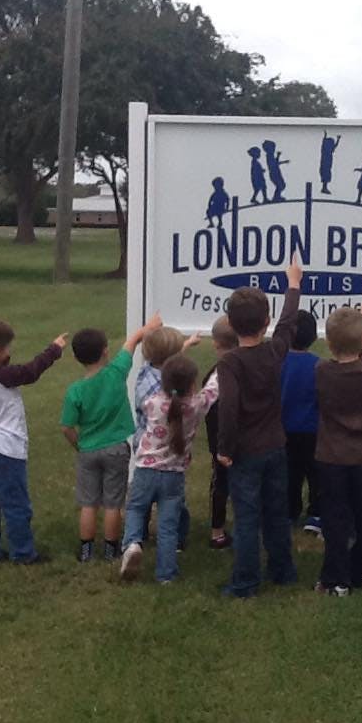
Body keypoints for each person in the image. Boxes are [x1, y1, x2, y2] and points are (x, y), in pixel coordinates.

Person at [216, 255, 302, 598]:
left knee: (248, 517)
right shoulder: (274, 351)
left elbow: (229, 409)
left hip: (246, 452)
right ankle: (282, 570)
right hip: (275, 447)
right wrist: (293, 284)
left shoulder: (231, 362)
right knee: (276, 513)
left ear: (231, 324)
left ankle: (246, 581)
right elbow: (288, 324)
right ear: (265, 322)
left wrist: (224, 448)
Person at [0, 317, 66, 564]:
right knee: (17, 504)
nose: (10, 353)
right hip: (7, 449)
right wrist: (54, 349)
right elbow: (30, 372)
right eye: (6, 348)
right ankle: (23, 553)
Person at [60, 313, 161, 563]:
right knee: (113, 503)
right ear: (106, 351)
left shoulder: (75, 391)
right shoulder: (116, 372)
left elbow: (66, 427)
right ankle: (110, 549)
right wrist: (150, 327)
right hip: (116, 448)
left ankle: (85, 551)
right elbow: (132, 342)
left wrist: (79, 444)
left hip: (88, 451)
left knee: (88, 502)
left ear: (76, 358)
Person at [120, 354, 218, 584]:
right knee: (168, 526)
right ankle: (166, 574)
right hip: (174, 476)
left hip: (145, 470)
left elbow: (144, 393)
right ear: (193, 384)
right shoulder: (196, 406)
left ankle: (132, 543)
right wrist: (220, 368)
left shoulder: (152, 404)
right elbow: (213, 389)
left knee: (135, 508)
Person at [314, 306, 362, 595]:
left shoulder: (323, 370)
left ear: (329, 342)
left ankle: (337, 578)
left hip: (333, 457)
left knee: (335, 519)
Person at [133, 326, 202, 549]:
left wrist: (186, 344)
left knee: (139, 500)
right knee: (174, 501)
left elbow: (166, 359)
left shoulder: (144, 373)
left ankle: (137, 537)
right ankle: (177, 540)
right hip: (171, 451)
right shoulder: (169, 390)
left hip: (144, 449)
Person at [281, 310, 322, 534]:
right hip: (312, 429)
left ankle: (290, 511)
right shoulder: (318, 365)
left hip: (285, 428)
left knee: (290, 473)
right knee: (315, 473)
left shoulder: (278, 363)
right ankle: (315, 514)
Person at [201, 315, 238, 550]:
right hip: (245, 438)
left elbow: (202, 404)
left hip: (220, 441)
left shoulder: (216, 375)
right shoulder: (246, 367)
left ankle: (217, 532)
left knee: (221, 485)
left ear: (215, 343)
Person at [319, 130, 341, 194]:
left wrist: (338, 139)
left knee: (326, 177)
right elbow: (324, 142)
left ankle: (324, 188)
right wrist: (325, 135)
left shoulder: (328, 151)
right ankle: (324, 188)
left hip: (327, 166)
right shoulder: (325, 151)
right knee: (325, 177)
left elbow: (335, 146)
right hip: (325, 166)